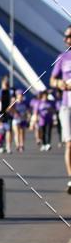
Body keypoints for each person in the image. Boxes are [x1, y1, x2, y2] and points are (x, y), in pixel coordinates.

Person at [50, 27, 71, 191]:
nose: (66, 39)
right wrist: (60, 83)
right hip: (67, 105)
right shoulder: (62, 58)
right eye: (65, 36)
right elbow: (52, 80)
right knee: (70, 144)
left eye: (69, 36)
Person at [0, 76, 13, 154]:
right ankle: (1, 146)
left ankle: (8, 147)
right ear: (2, 82)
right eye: (5, 82)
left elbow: (13, 100)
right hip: (0, 113)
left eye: (7, 82)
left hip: (8, 113)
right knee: (0, 131)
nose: (6, 84)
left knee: (9, 130)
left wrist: (10, 106)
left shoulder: (11, 91)